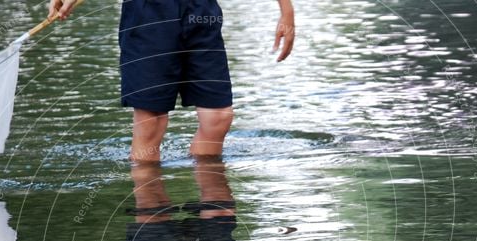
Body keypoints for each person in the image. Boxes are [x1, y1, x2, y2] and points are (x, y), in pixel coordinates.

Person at [49, 0, 295, 162]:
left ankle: (213, 211)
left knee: (218, 117)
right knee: (151, 122)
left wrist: (287, 11)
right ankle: (151, 219)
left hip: (201, 10)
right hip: (148, 14)